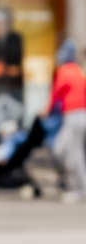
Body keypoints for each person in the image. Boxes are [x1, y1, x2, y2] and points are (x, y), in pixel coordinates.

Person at [46, 39, 85, 203]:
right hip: (80, 115)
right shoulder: (78, 71)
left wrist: (46, 111)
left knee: (73, 154)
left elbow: (55, 94)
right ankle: (66, 182)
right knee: (61, 148)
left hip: (74, 116)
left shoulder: (65, 71)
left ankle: (80, 190)